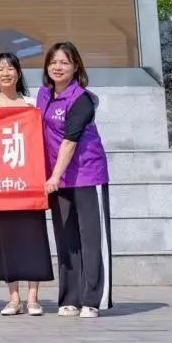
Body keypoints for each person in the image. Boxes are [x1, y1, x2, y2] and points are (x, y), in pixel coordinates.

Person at [39, 42, 113, 318]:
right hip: (58, 179)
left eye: (64, 62)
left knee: (90, 239)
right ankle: (70, 298)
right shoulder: (44, 95)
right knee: (66, 239)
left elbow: (70, 141)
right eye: (53, 62)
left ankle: (92, 299)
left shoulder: (82, 99)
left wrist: (55, 175)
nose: (57, 67)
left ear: (76, 66)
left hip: (86, 175)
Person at [0, 53, 53, 316]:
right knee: (5, 240)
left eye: (10, 68)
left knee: (33, 238)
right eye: (0, 69)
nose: (6, 73)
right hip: (0, 187)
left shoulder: (34, 106)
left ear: (19, 74)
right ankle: (13, 298)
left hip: (29, 185)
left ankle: (33, 297)